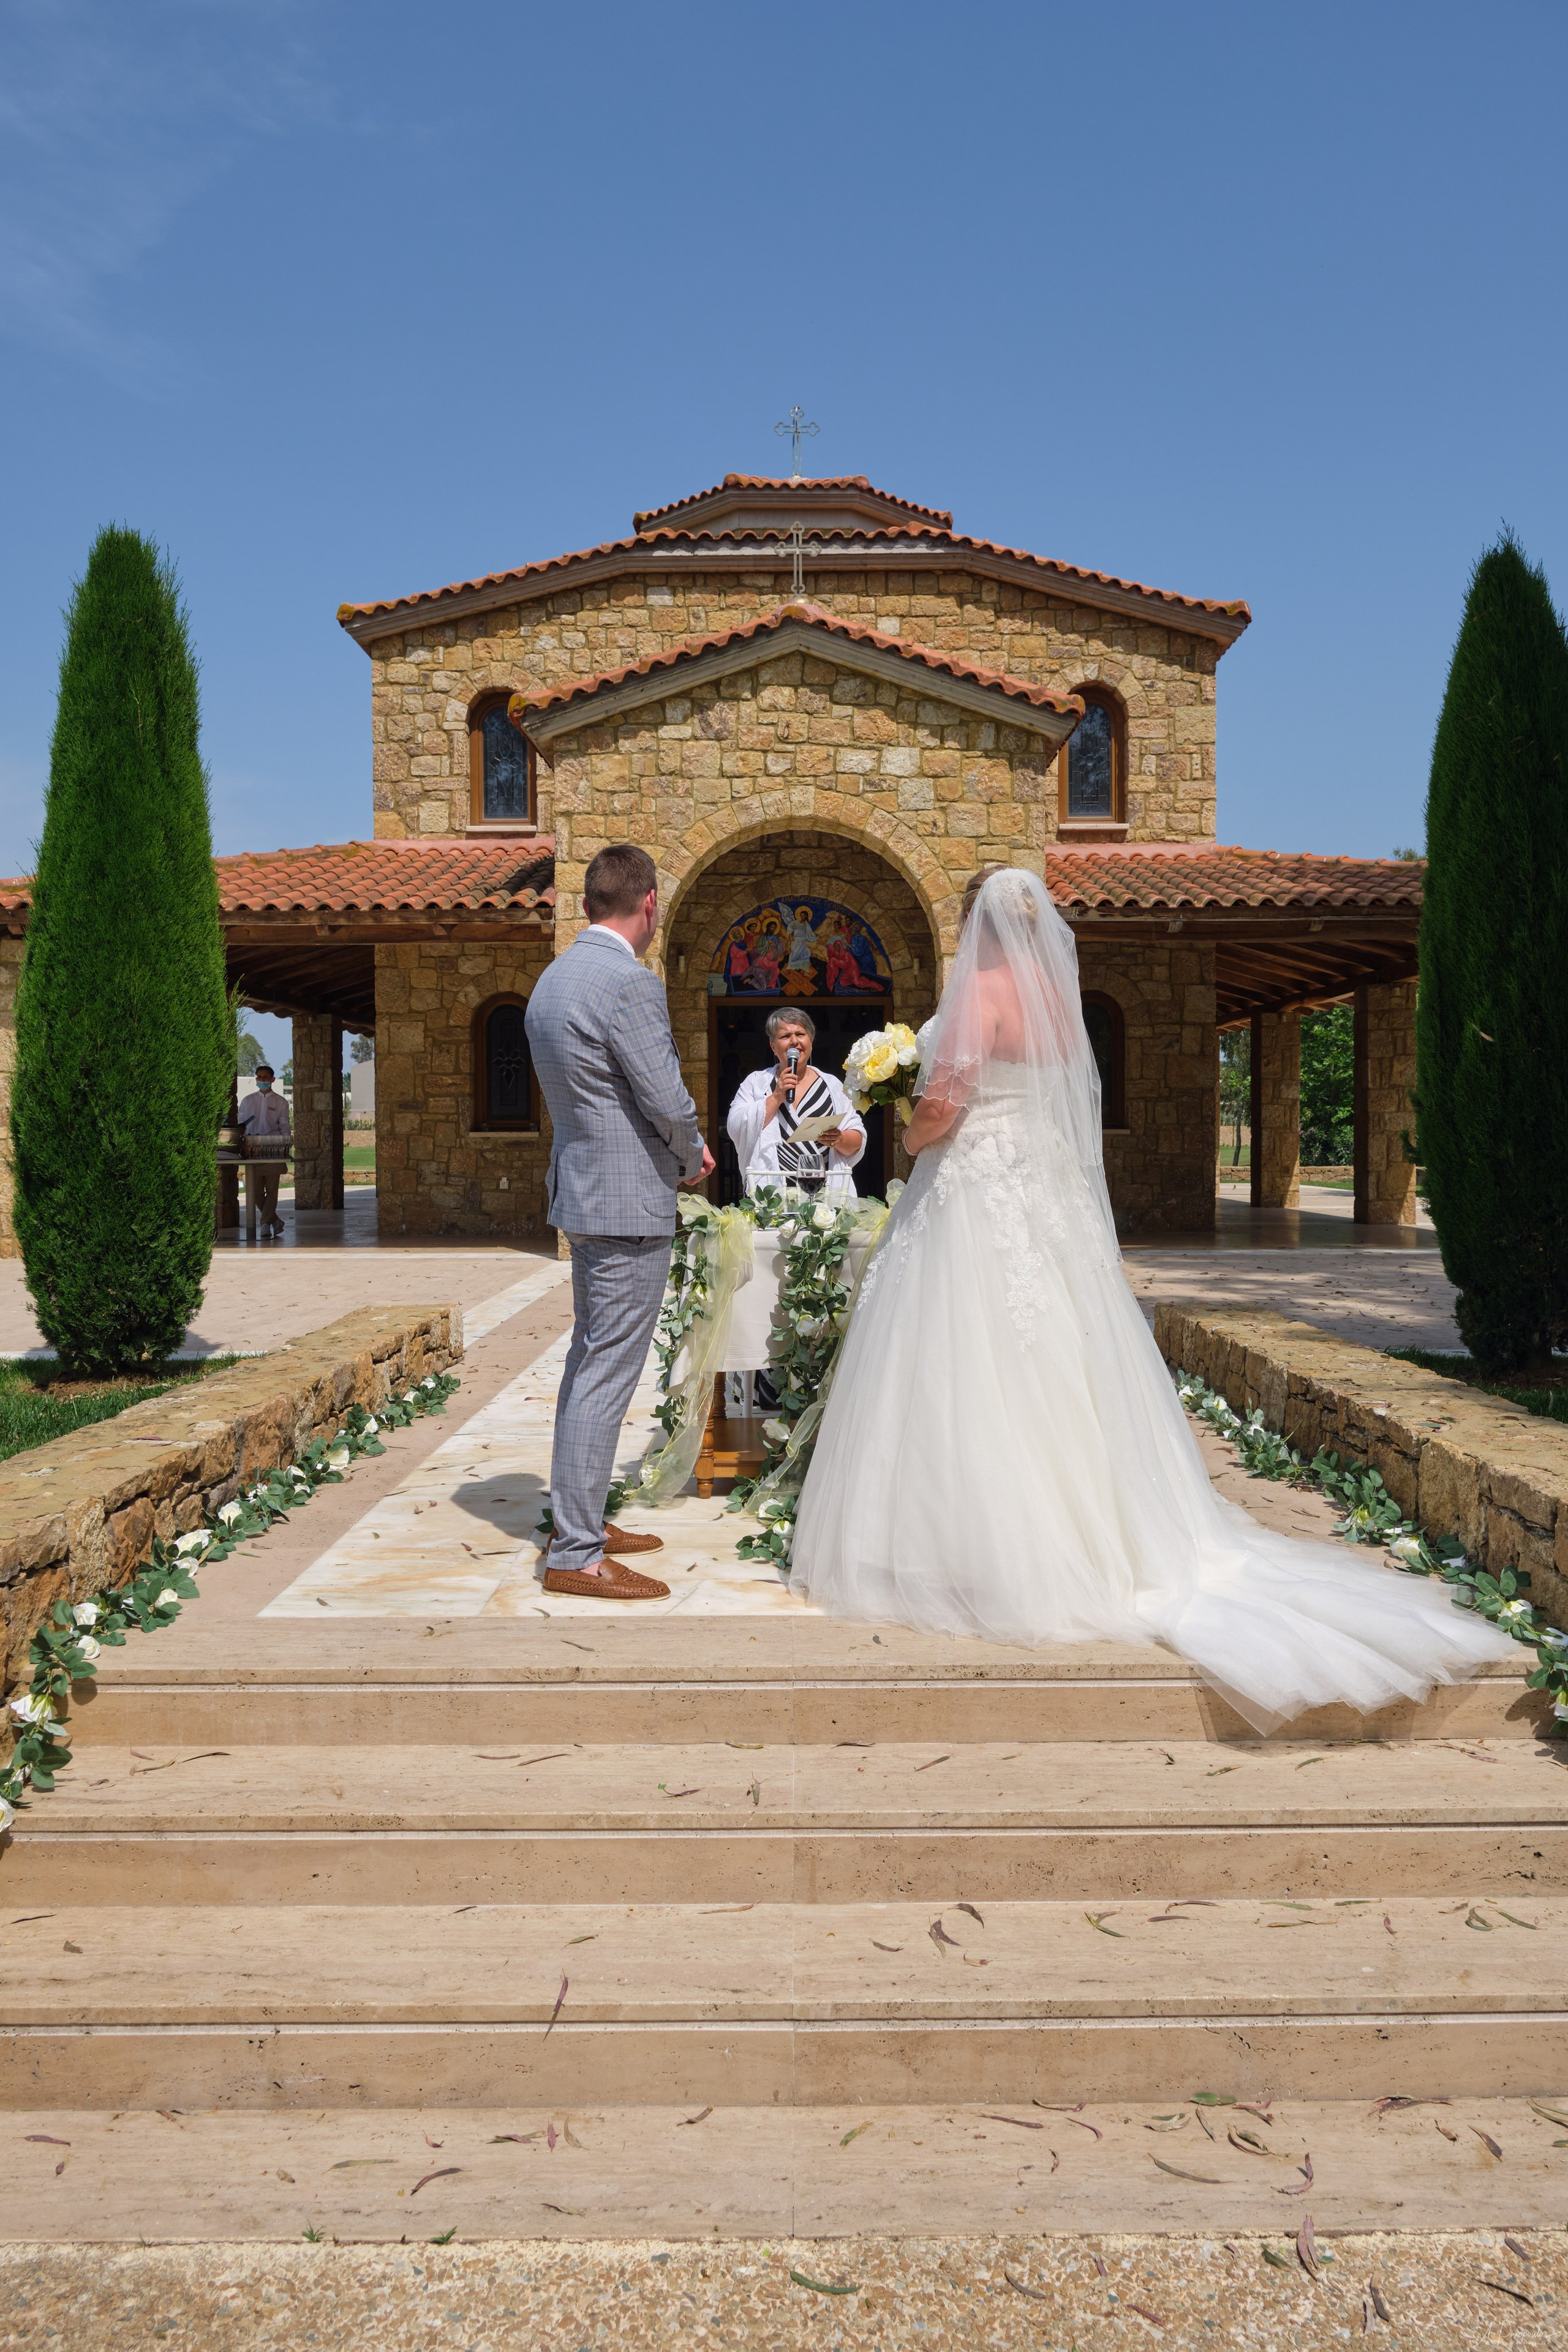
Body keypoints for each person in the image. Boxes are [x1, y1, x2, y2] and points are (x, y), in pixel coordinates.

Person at [787, 865, 1516, 1732]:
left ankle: (970, 1550)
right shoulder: (1057, 1005)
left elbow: (945, 1105)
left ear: (976, 919)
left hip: (973, 1193)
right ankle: (1092, 1528)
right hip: (1040, 1200)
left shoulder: (980, 989)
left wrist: (908, 1127)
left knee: (959, 1356)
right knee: (1055, 1354)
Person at [525, 843, 714, 1603]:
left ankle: (582, 1520)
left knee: (587, 1363)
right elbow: (662, 1095)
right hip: (629, 1198)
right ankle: (576, 1551)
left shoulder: (553, 978)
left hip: (585, 1190)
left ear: (584, 905)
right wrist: (695, 1151)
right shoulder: (627, 983)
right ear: (650, 904)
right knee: (605, 1370)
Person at [726, 1009, 865, 1199]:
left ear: (811, 1041)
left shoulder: (832, 1085)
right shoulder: (756, 1083)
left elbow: (858, 1140)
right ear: (773, 1046)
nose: (794, 1042)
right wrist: (776, 1097)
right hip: (772, 1196)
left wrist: (839, 1139)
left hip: (824, 1196)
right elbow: (735, 1127)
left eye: (800, 1034)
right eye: (785, 1036)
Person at [236, 1063, 292, 1237]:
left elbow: (284, 1124)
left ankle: (265, 1224)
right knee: (255, 1191)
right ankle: (275, 1220)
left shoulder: (281, 1102)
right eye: (259, 1077)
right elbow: (241, 1125)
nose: (262, 1080)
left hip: (273, 1149)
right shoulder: (248, 1101)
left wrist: (286, 1142)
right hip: (252, 1150)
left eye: (265, 1077)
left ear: (272, 1080)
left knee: (272, 1189)